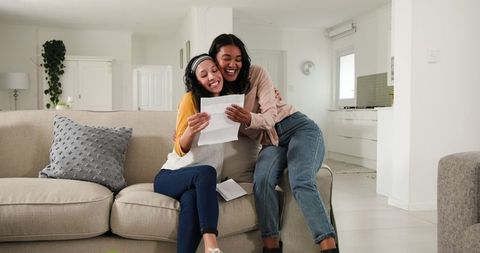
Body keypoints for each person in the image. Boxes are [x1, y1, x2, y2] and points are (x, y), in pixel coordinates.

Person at [209, 34, 339, 253]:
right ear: (215, 59)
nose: (233, 64)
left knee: (301, 180)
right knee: (262, 181)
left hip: (298, 128)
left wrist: (248, 117)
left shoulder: (257, 73)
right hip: (271, 143)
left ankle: (328, 246)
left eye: (238, 58)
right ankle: (271, 247)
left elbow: (269, 117)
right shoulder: (216, 94)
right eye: (226, 58)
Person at [153, 54, 224, 253]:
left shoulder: (227, 103)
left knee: (192, 200)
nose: (212, 76)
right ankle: (211, 246)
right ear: (196, 81)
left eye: (214, 70)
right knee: (206, 172)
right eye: (204, 74)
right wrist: (190, 131)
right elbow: (179, 149)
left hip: (197, 184)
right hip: (170, 176)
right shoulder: (190, 99)